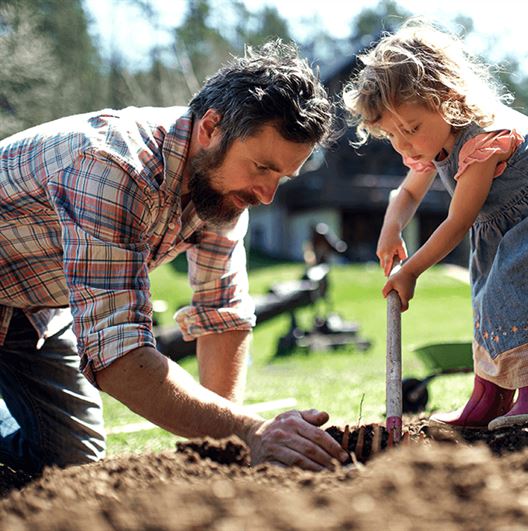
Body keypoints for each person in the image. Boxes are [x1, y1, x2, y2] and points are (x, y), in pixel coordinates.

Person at [0, 40, 349, 473]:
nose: (267, 194)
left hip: (29, 306)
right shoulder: (112, 164)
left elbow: (221, 313)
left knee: (72, 461)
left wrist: (227, 450)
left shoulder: (220, 186)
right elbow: (119, 354)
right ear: (210, 128)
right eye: (262, 167)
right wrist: (250, 432)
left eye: (283, 176)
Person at [343, 20, 528, 431]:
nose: (405, 144)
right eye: (393, 135)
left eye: (411, 129)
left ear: (446, 100)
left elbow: (458, 221)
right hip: (503, 218)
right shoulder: (430, 139)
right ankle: (490, 397)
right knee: (489, 301)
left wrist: (412, 271)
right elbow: (406, 194)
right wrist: (391, 229)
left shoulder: (482, 141)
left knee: (524, 293)